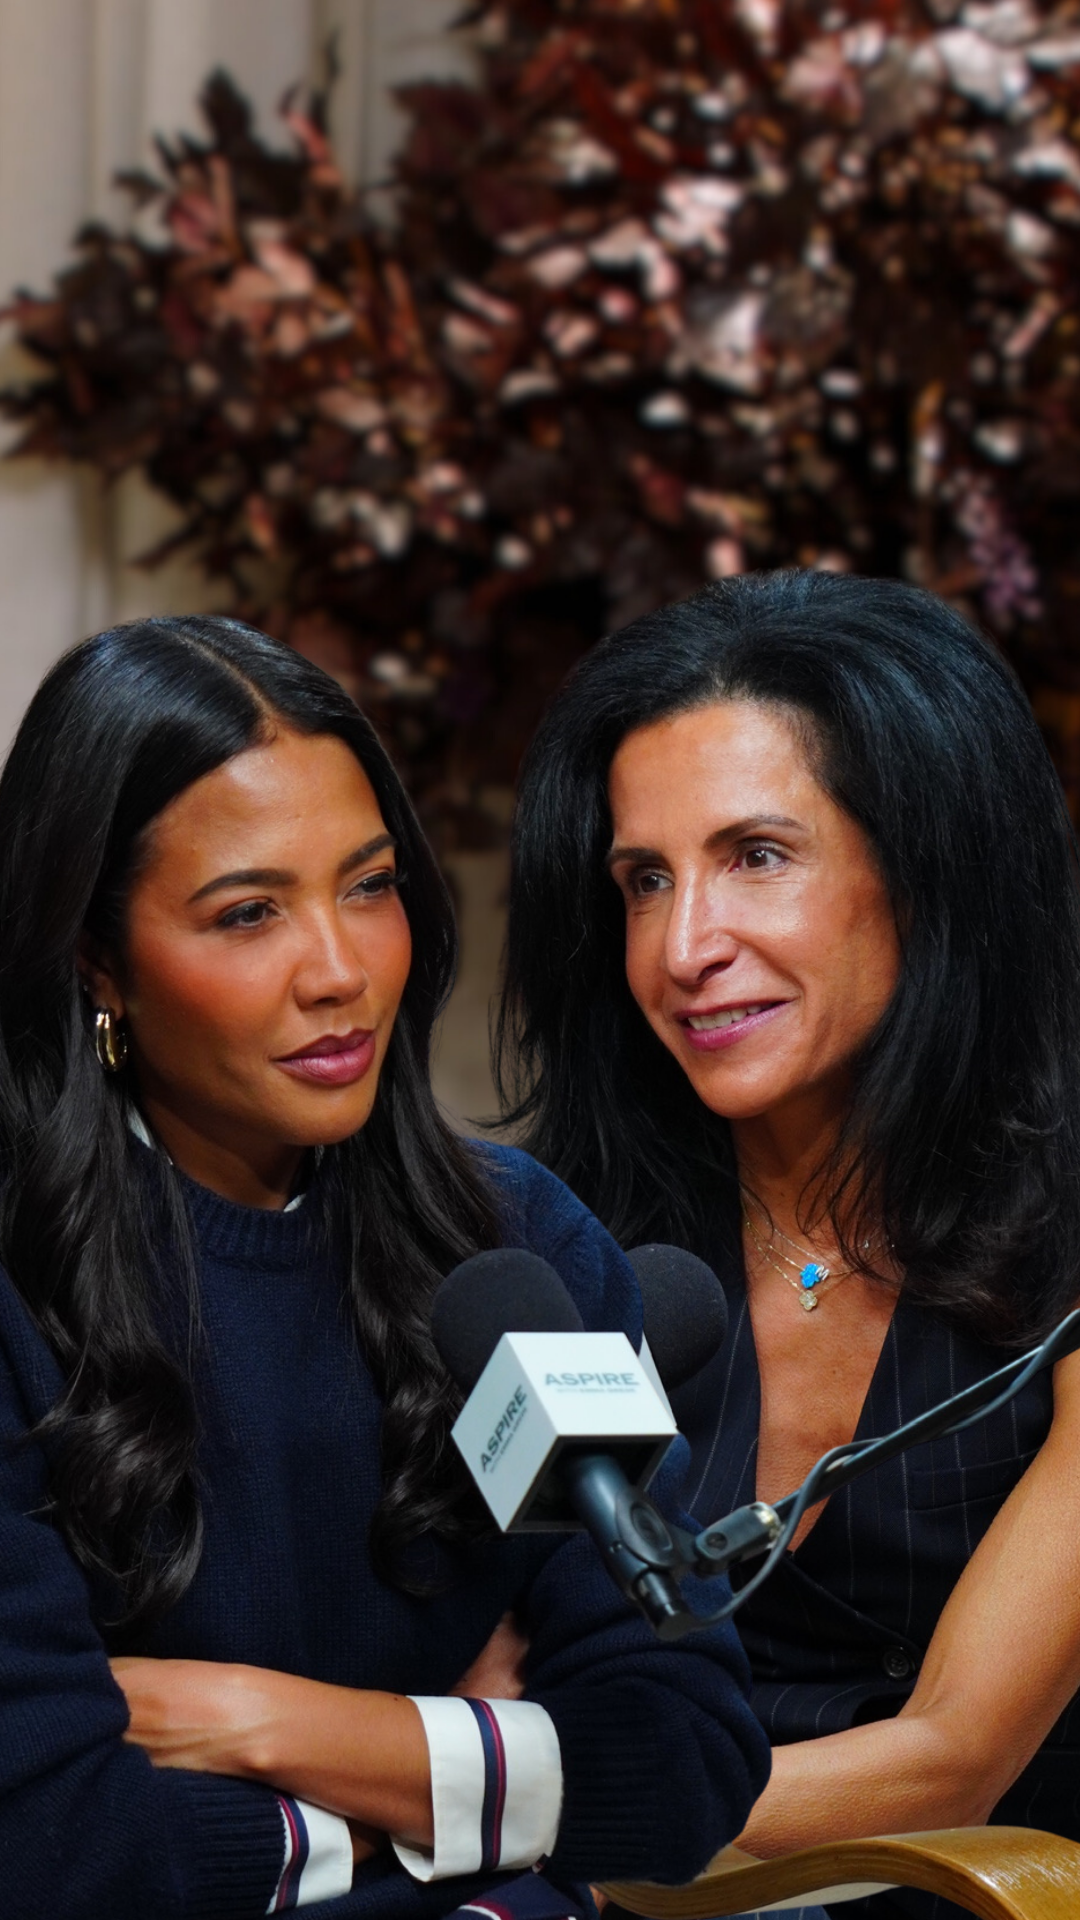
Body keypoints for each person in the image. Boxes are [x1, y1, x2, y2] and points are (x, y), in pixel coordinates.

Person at [0, 614, 770, 1920]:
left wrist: (267, 1725)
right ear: (97, 962)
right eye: (249, 913)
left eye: (369, 885)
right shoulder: (19, 1289)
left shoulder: (514, 1255)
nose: (343, 971)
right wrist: (454, 1786)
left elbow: (685, 1757)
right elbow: (60, 1847)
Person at [495, 570, 1080, 1920]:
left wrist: (470, 1793)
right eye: (645, 879)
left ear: (928, 871)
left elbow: (952, 1760)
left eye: (757, 856)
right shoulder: (552, 1239)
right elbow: (474, 1657)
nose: (686, 945)